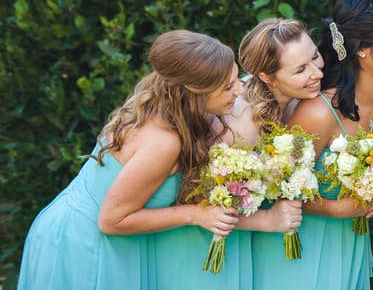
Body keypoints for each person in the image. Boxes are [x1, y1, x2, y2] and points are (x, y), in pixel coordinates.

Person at [18, 30, 241, 290]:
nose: (239, 89)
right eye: (228, 86)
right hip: (85, 247)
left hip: (79, 233)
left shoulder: (159, 97)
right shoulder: (163, 142)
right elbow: (111, 220)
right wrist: (195, 214)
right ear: (194, 92)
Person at [153, 18, 319, 289]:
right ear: (267, 78)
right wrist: (267, 220)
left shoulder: (290, 99)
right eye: (301, 69)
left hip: (236, 243)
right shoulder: (244, 121)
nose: (317, 73)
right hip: (205, 246)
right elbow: (200, 201)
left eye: (315, 57)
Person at [286, 0, 373, 289]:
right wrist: (332, 208)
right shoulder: (318, 113)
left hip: (351, 246)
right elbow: (278, 189)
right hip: (301, 249)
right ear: (363, 49)